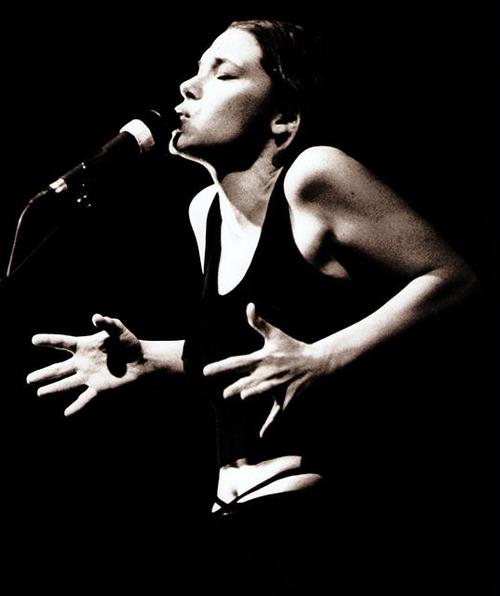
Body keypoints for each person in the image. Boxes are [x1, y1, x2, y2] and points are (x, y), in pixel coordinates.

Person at [26, 19, 478, 594]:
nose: (188, 87)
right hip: (230, 511)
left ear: (282, 120)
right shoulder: (204, 213)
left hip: (310, 521)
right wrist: (148, 359)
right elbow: (244, 350)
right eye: (197, 70)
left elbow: (453, 277)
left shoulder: (313, 177)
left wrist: (324, 358)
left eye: (224, 74)